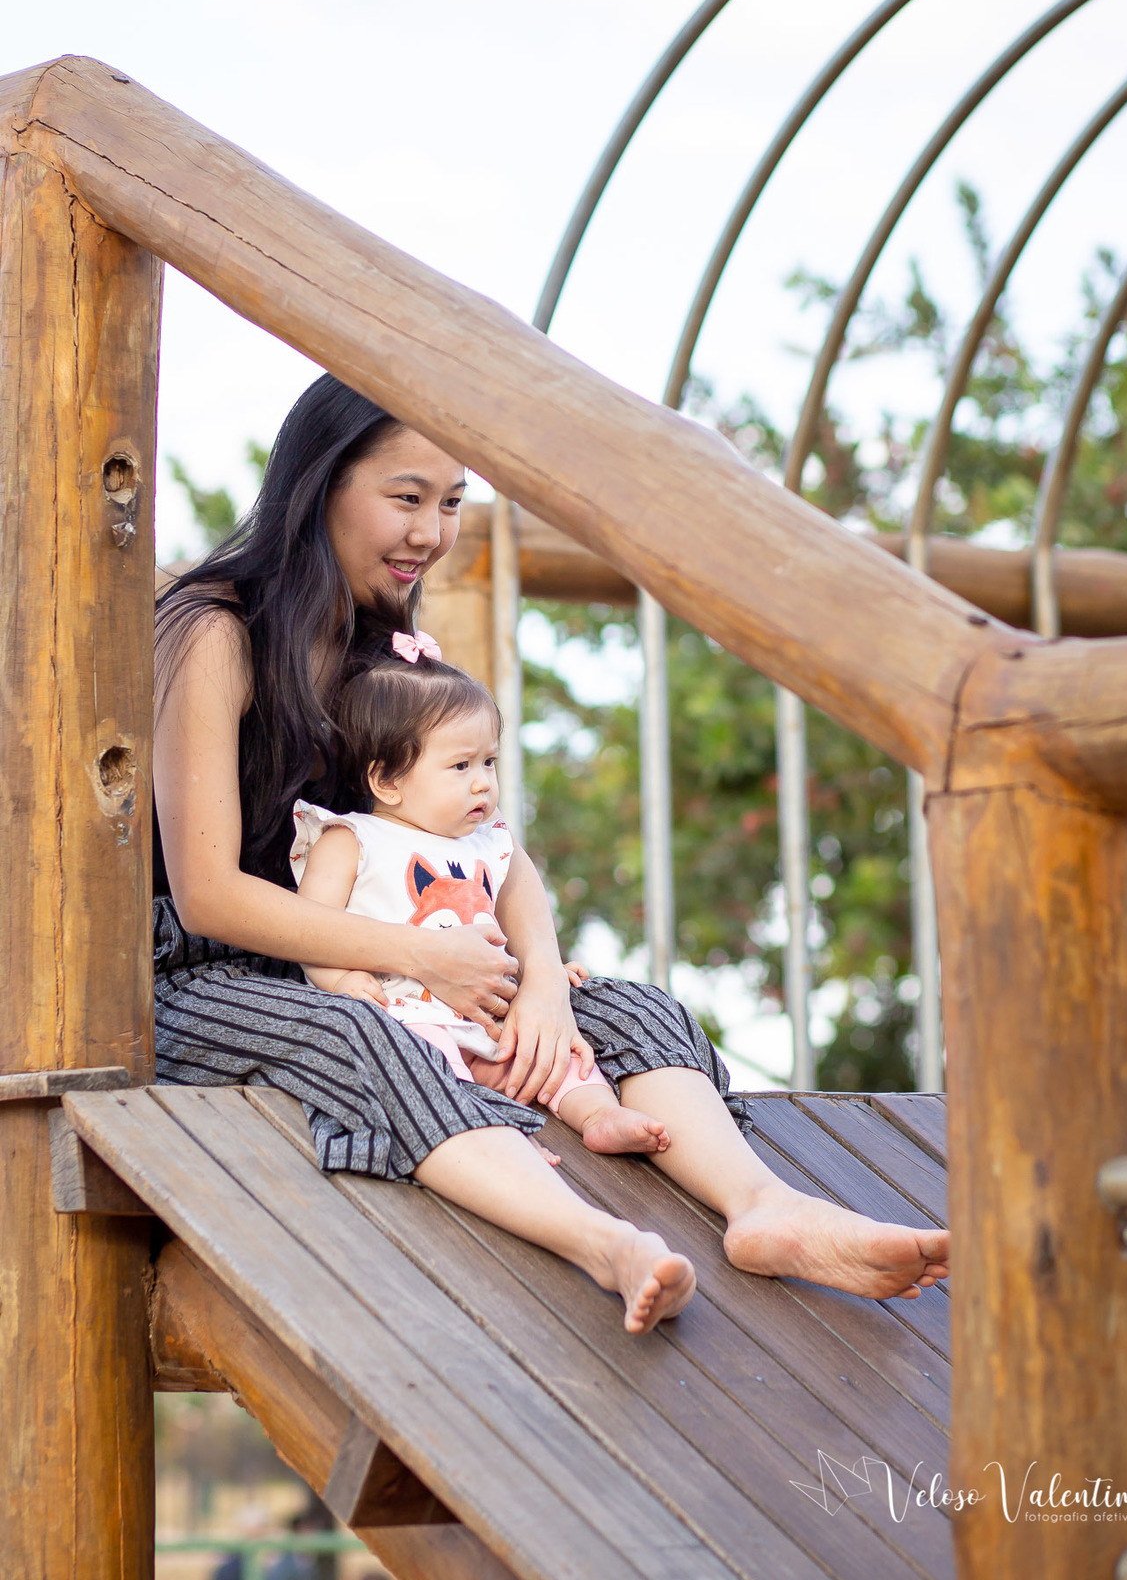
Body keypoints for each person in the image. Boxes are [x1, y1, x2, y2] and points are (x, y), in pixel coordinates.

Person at [153, 373, 949, 1336]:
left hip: (397, 961)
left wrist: (537, 985)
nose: (432, 532)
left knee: (627, 1006)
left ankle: (763, 1208)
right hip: (206, 984)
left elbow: (496, 853)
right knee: (370, 1036)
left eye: (451, 503)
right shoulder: (216, 633)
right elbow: (206, 896)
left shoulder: (387, 653)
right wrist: (424, 960)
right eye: (406, 498)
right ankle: (602, 1243)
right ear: (319, 487)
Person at [290, 630, 672, 1160]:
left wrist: (541, 971)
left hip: (488, 1018)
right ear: (387, 780)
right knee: (422, 1061)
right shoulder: (351, 839)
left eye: (488, 762)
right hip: (406, 1013)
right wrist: (340, 979)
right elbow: (308, 930)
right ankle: (491, 1135)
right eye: (460, 766)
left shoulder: (488, 844)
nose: (483, 784)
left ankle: (599, 1113)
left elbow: (513, 924)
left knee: (555, 1055)